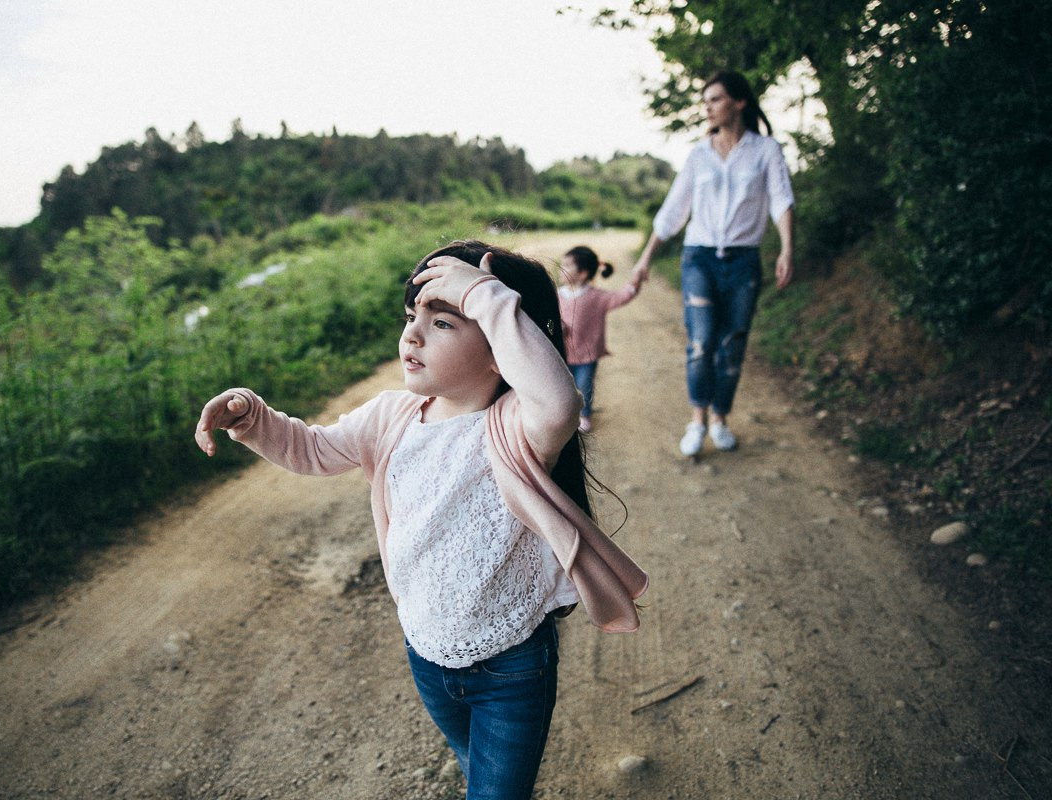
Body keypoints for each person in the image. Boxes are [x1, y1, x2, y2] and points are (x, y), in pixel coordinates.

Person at [194, 240, 648, 799]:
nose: (412, 335)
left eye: (443, 322)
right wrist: (252, 415)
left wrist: (482, 295)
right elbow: (310, 449)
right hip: (427, 654)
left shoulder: (518, 428)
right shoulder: (392, 416)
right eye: (412, 317)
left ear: (502, 347)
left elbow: (559, 401)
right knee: (473, 766)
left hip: (512, 667)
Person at [632, 69, 796, 457]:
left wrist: (788, 248)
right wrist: (644, 260)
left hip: (743, 262)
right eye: (704, 101)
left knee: (733, 345)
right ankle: (697, 421)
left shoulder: (766, 151)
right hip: (699, 259)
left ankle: (721, 418)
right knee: (702, 343)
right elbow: (673, 211)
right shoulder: (699, 154)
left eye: (715, 99)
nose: (707, 107)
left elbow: (782, 200)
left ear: (739, 102)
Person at [557, 245, 644, 433]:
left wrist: (635, 283)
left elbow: (621, 296)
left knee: (585, 386)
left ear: (582, 273)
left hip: (587, 356)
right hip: (561, 353)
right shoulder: (555, 295)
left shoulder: (596, 297)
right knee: (563, 386)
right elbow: (547, 319)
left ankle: (585, 414)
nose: (560, 269)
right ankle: (566, 414)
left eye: (567, 265)